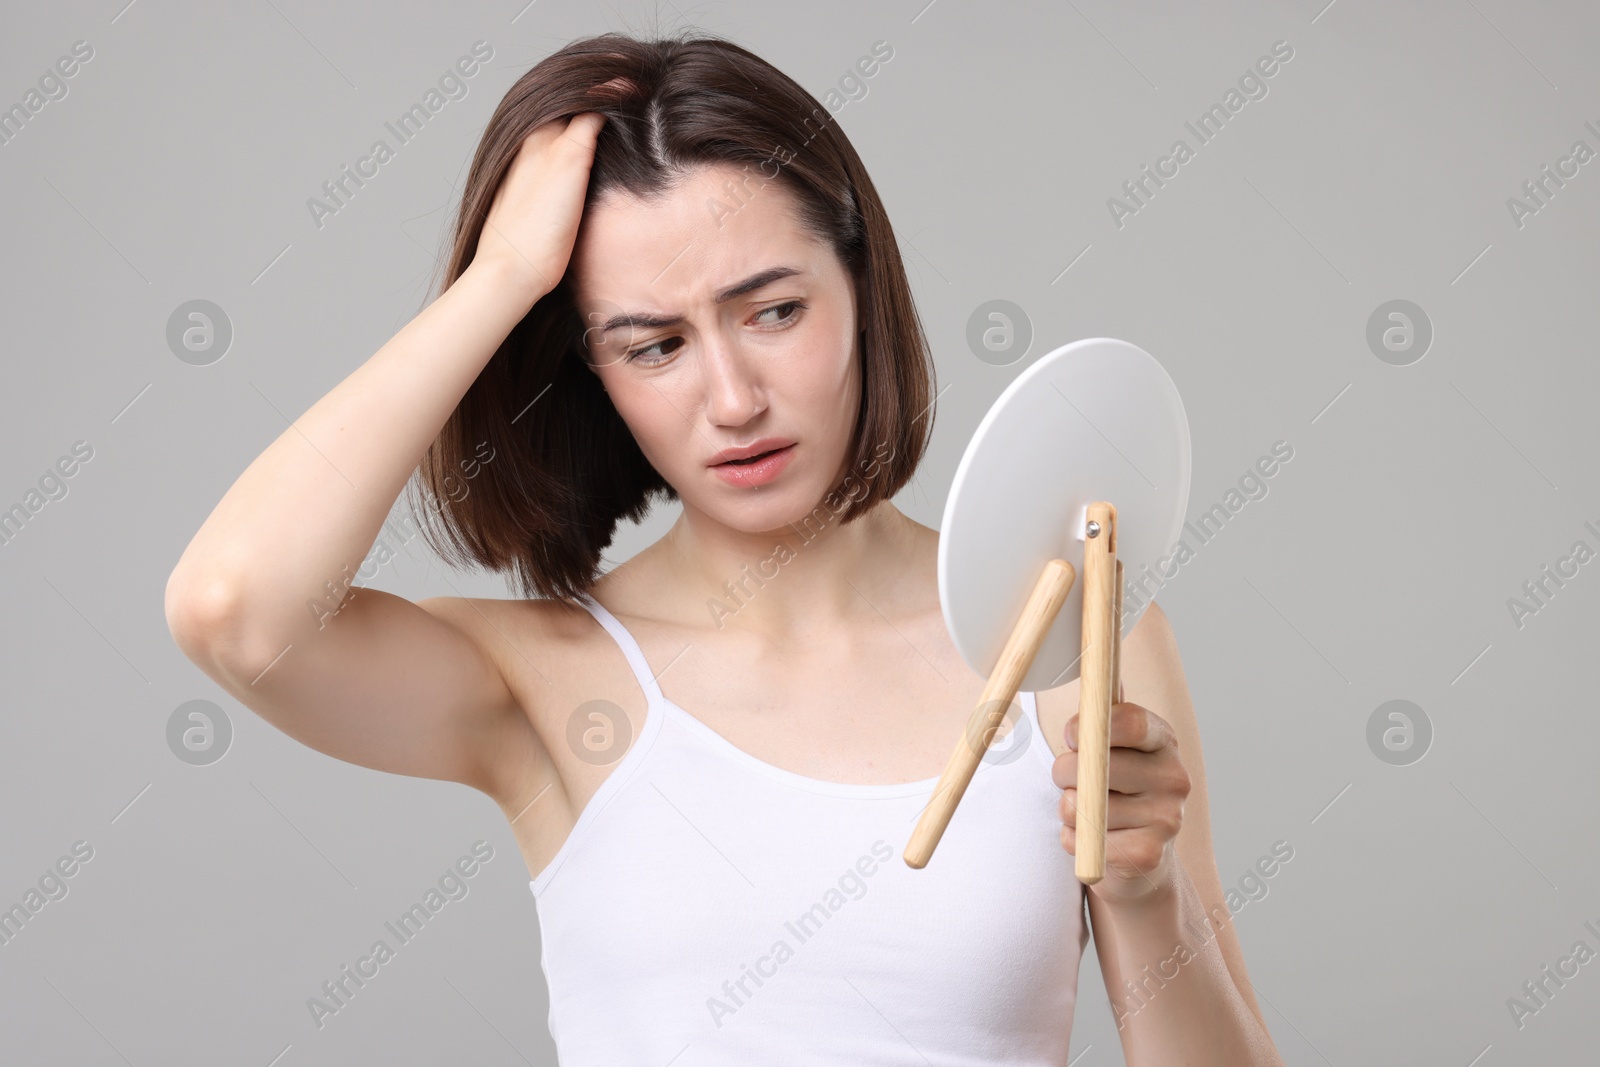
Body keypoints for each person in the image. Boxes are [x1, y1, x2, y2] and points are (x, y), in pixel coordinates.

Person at [164, 30, 1284, 1066]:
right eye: (652, 345)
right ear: (591, 372)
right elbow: (232, 608)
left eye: (774, 311)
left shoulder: (1073, 640)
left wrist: (1146, 898)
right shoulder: (543, 681)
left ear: (860, 286)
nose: (734, 398)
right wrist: (501, 279)